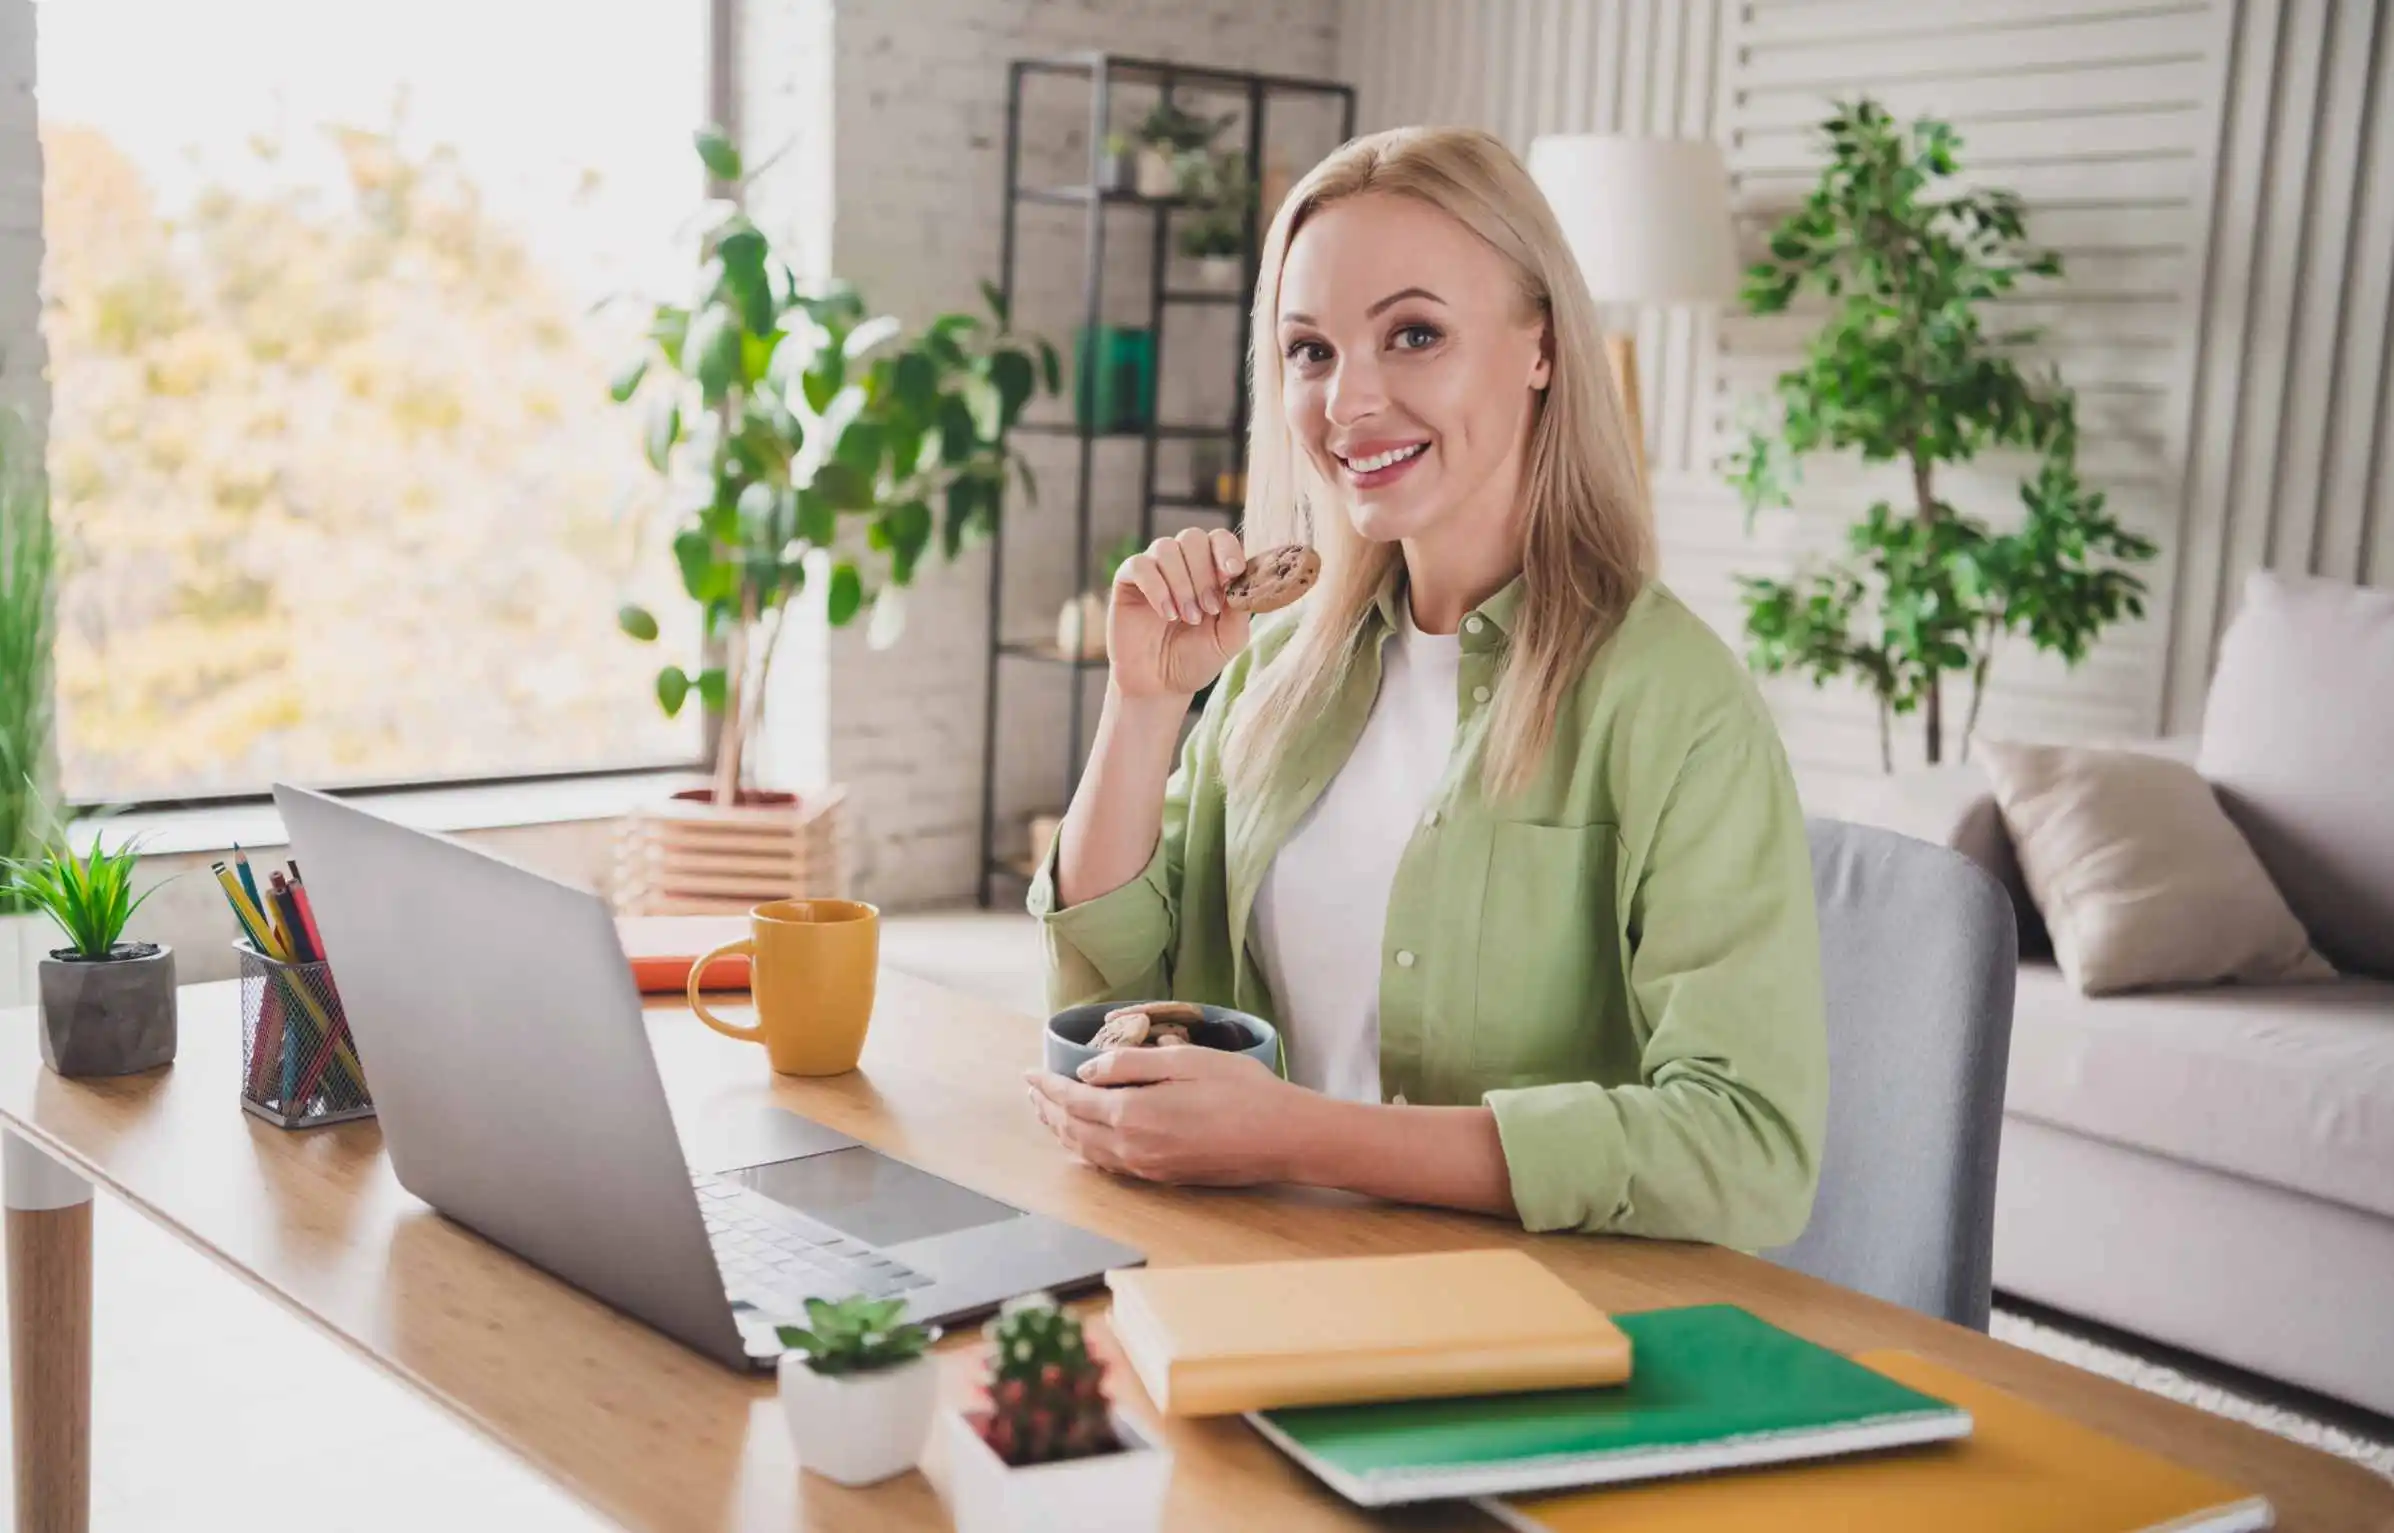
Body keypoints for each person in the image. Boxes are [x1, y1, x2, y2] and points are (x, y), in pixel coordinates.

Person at [1021, 126, 1826, 1249]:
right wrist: (1144, 704)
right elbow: (1126, 1006)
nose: (1350, 402)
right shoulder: (1275, 666)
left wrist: (1298, 1137)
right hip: (1243, 1264)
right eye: (1311, 351)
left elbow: (1748, 1153)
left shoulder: (1673, 703)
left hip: (1518, 1334)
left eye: (1413, 335)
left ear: (1540, 346)